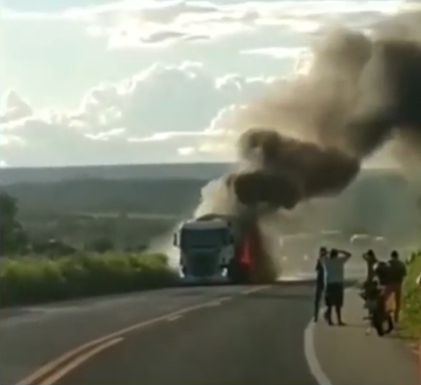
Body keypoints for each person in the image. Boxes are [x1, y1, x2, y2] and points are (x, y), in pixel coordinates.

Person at [321, 248, 352, 325]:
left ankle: (330, 320)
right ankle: (339, 321)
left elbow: (321, 256)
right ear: (337, 254)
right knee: (338, 304)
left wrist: (326, 252)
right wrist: (340, 250)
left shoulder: (327, 261)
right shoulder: (340, 260)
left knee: (330, 304)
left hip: (330, 284)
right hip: (338, 284)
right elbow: (349, 254)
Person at [387, 250, 407, 323]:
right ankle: (396, 317)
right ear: (397, 256)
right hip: (398, 283)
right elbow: (404, 274)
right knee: (397, 301)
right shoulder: (401, 264)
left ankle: (386, 314)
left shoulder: (388, 263)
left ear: (391, 256)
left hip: (389, 284)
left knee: (386, 299)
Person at [314, 247, 327, 322]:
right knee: (318, 300)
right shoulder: (320, 260)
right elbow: (317, 270)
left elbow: (317, 270)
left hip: (324, 281)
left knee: (325, 301)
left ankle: (319, 316)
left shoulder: (324, 260)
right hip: (320, 281)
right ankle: (316, 316)